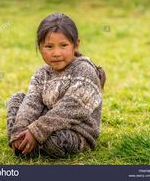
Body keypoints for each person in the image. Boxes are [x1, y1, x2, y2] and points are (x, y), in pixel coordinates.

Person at [6, 13, 106, 158]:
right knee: (18, 99)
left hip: (75, 131)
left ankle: (30, 145)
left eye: (63, 45)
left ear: (76, 45)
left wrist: (37, 131)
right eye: (49, 46)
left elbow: (71, 108)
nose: (56, 53)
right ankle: (21, 141)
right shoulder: (42, 73)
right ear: (39, 48)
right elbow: (31, 103)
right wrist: (21, 128)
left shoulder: (84, 70)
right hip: (43, 124)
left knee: (57, 141)